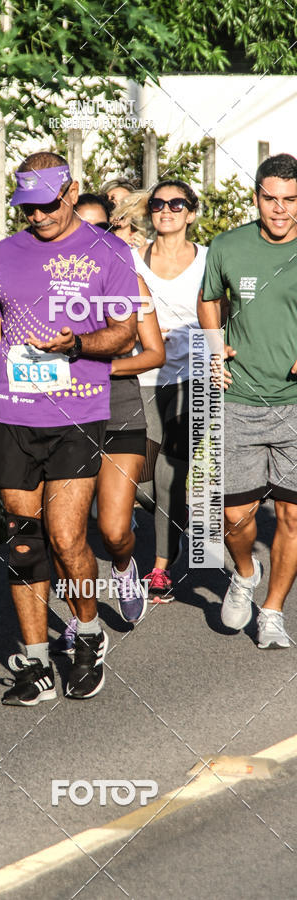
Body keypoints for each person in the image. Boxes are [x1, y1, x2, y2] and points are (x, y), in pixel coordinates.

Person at [0, 151, 140, 705]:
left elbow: (124, 333)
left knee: (65, 537)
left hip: (77, 413)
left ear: (72, 191)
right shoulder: (3, 256)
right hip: (11, 416)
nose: (40, 216)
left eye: (49, 205)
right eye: (28, 208)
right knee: (23, 543)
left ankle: (86, 634)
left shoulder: (109, 251)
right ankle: (33, 664)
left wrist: (77, 344)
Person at [52, 194, 165, 654]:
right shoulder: (51, 281)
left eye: (102, 228)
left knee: (116, 529)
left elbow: (155, 354)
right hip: (63, 411)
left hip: (119, 407)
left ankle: (123, 568)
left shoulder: (131, 281)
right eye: (84, 227)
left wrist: (103, 367)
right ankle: (84, 621)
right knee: (67, 533)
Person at [198, 152, 297, 649]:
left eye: (290, 200)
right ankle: (244, 571)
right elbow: (209, 297)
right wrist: (215, 347)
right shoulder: (228, 247)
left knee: (292, 517)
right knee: (235, 518)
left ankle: (273, 612)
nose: (280, 210)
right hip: (240, 400)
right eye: (270, 199)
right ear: (256, 197)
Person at [132, 180, 207, 601]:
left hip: (191, 377)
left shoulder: (210, 260)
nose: (167, 209)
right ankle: (177, 516)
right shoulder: (131, 261)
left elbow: (228, 310)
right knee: (140, 483)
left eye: (177, 204)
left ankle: (160, 566)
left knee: (168, 470)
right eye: (159, 204)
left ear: (191, 213)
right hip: (143, 375)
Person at [102, 178, 147, 248]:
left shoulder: (148, 246)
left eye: (125, 202)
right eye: (112, 202)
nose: (118, 208)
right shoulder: (94, 245)